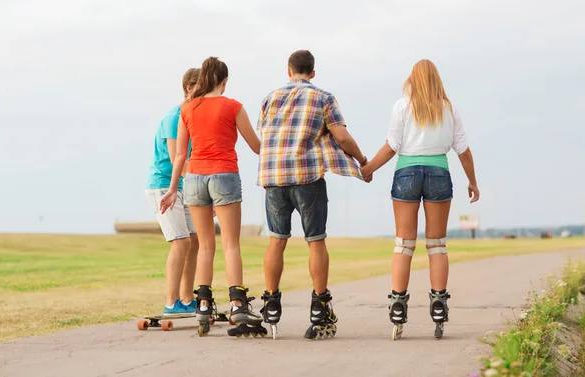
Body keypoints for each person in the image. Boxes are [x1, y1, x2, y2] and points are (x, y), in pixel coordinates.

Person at [360, 59, 480, 340]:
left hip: (406, 174)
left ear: (412, 79)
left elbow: (392, 146)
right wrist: (472, 182)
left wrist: (368, 169)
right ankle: (439, 304)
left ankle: (398, 304)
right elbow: (463, 150)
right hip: (439, 173)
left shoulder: (403, 106)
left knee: (404, 244)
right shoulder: (449, 109)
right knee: (437, 244)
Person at [256, 50, 370, 340]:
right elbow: (341, 136)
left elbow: (267, 135)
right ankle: (320, 307)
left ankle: (270, 304)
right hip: (307, 176)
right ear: (313, 72)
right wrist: (363, 161)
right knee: (315, 240)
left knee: (276, 240)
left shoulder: (269, 98)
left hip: (273, 178)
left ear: (289, 70)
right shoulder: (324, 97)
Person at [159, 57, 266, 338]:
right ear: (224, 80)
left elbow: (181, 154)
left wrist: (172, 190)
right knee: (231, 244)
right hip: (224, 175)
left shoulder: (188, 108)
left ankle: (203, 303)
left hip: (193, 179)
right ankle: (237, 302)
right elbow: (256, 146)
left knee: (205, 246)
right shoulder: (233, 106)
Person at [145, 68, 200, 315]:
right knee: (181, 241)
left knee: (195, 240)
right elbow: (175, 156)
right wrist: (203, 188)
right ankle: (171, 302)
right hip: (162, 187)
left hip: (180, 187)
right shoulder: (174, 118)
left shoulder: (190, 117)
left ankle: (187, 299)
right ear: (189, 88)